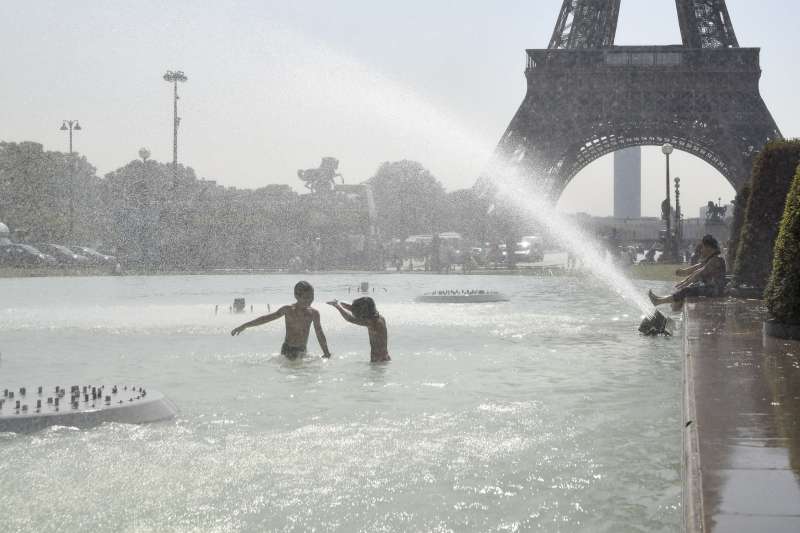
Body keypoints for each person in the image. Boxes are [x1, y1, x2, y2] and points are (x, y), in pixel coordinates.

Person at [231, 281, 331, 359]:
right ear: (296, 296)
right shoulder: (288, 310)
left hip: (302, 349)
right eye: (306, 298)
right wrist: (245, 325)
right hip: (287, 349)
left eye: (311, 297)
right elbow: (267, 318)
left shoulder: (313, 314)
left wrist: (326, 353)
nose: (309, 300)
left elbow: (320, 334)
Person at [648, 234, 726, 310]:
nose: (701, 250)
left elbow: (699, 273)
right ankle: (664, 302)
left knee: (688, 290)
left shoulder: (716, 260)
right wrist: (684, 273)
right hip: (711, 288)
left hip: (715, 290)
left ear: (709, 247)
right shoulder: (712, 258)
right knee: (688, 289)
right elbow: (698, 267)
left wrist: (685, 283)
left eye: (702, 247)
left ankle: (659, 301)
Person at [327, 297, 390, 362]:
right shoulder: (379, 318)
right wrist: (339, 302)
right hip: (383, 358)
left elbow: (350, 319)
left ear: (365, 311)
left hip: (378, 360)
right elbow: (353, 309)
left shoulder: (373, 323)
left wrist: (337, 306)